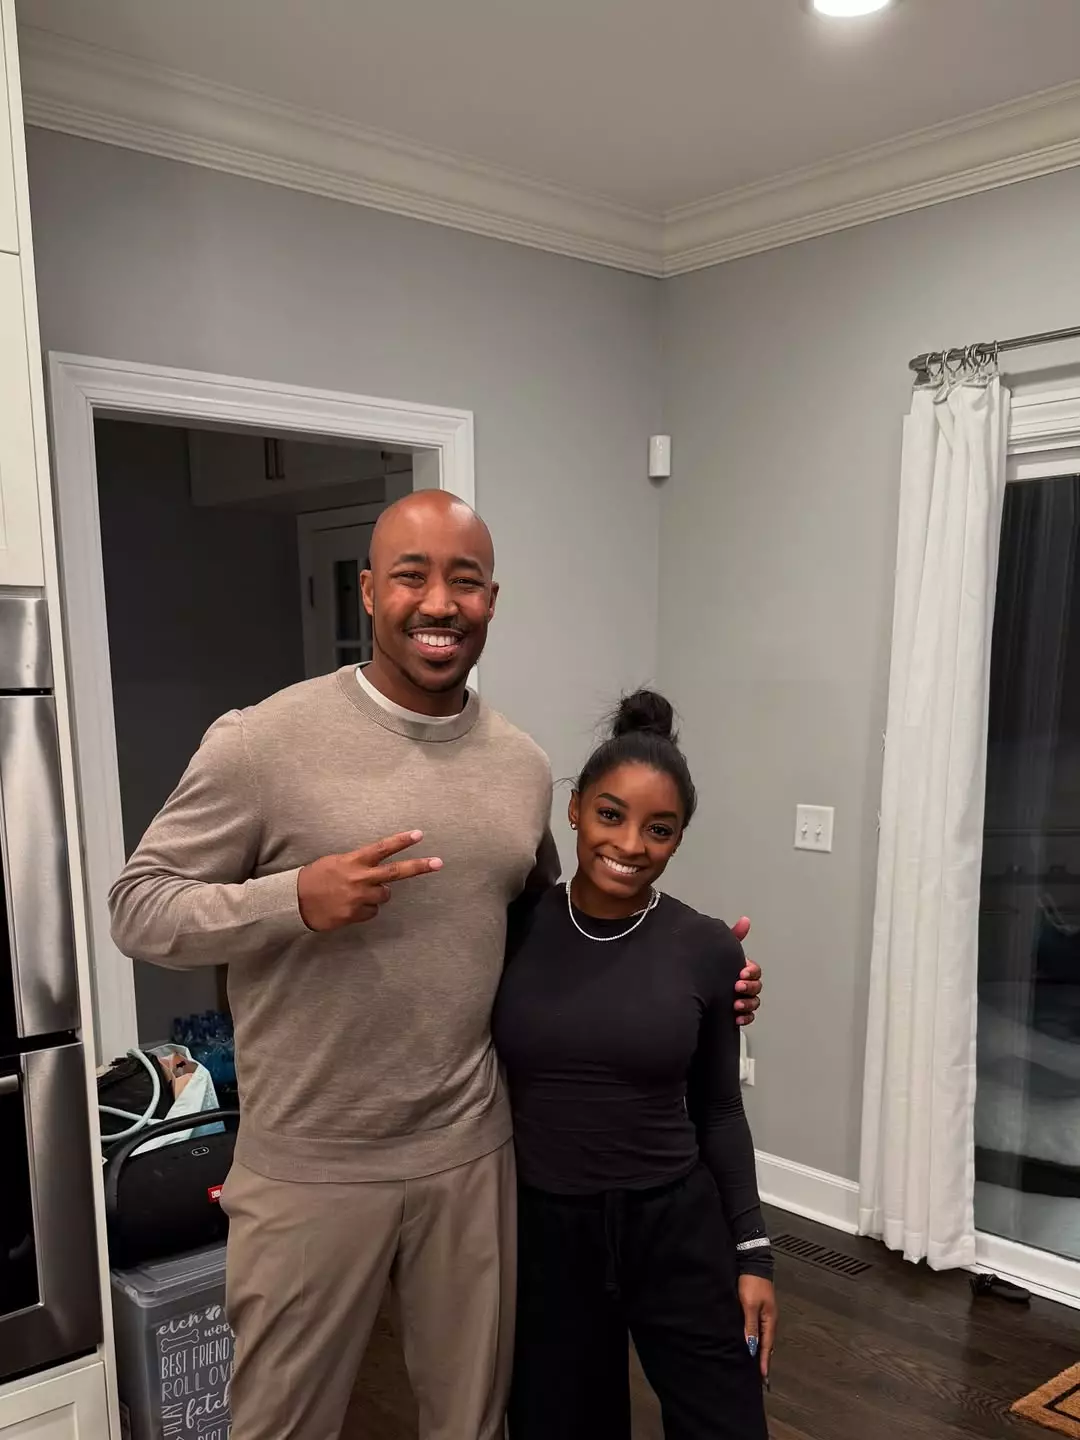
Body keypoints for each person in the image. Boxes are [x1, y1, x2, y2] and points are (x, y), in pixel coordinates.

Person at [108, 491, 763, 1440]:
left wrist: (697, 976)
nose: (440, 602)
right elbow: (139, 906)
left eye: (466, 580)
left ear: (493, 599)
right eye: (412, 575)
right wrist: (291, 899)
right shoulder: (263, 741)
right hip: (310, 1162)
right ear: (371, 590)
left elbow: (556, 924)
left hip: (472, 1157)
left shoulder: (520, 765)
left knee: (472, 1423)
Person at [494, 689, 775, 1440]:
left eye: (659, 829)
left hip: (675, 1229)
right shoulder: (511, 930)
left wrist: (754, 1254)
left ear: (678, 839)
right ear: (574, 810)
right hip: (545, 1235)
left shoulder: (707, 948)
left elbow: (719, 1109)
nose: (630, 844)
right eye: (611, 815)